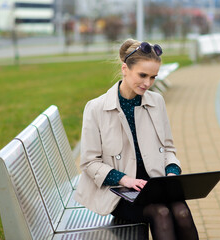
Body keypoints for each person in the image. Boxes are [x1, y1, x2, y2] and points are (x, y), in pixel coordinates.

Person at [74, 39, 199, 240]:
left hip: (156, 185)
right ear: (125, 68)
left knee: (181, 213)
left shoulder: (156, 101)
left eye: (153, 77)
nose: (147, 83)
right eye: (142, 75)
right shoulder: (96, 108)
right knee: (162, 213)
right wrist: (126, 180)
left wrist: (172, 173)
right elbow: (89, 162)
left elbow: (168, 148)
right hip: (120, 191)